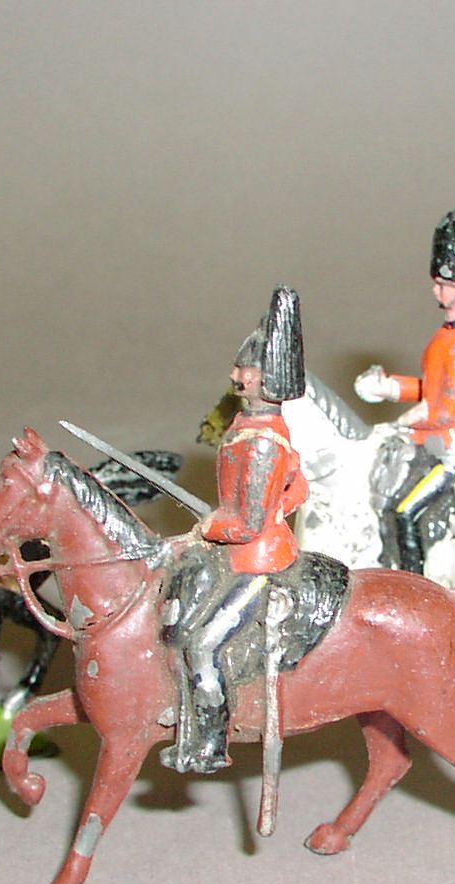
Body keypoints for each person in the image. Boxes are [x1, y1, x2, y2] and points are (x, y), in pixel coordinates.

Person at [163, 286, 309, 774]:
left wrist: (212, 523)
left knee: (203, 644)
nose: (235, 376)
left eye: (245, 371)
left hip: (256, 564)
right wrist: (273, 504)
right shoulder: (248, 424)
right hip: (238, 551)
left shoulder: (264, 440)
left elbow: (247, 525)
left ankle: (210, 742)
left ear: (268, 379)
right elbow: (299, 487)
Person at [354, 208, 455, 573]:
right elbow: (432, 390)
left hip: (450, 447)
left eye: (443, 283)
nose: (436, 289)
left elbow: (443, 412)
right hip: (433, 439)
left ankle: (414, 583)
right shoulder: (448, 336)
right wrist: (390, 388)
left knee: (404, 510)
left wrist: (401, 424)